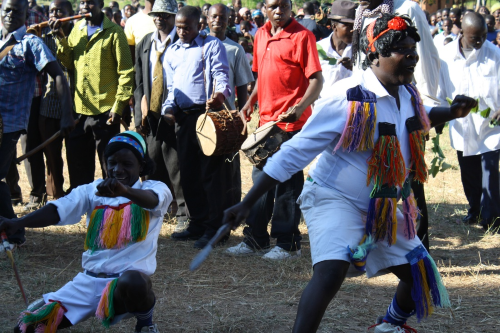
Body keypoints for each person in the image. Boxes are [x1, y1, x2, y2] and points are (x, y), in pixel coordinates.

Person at [223, 13, 476, 333]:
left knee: (421, 273)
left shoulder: (407, 93)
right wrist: (247, 203)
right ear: (374, 54)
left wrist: (451, 112)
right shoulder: (348, 97)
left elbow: (419, 117)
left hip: (380, 207)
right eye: (402, 50)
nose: (412, 57)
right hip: (333, 199)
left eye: (413, 49)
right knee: (331, 270)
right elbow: (292, 153)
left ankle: (390, 325)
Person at [1, 132, 171, 333]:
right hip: (87, 284)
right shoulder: (92, 190)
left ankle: (145, 326)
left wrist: (125, 191)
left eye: (127, 163)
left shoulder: (154, 188)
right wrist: (18, 222)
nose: (118, 169)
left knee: (135, 281)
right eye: (112, 163)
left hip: (122, 288)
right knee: (25, 328)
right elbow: (59, 209)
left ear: (141, 166)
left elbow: (153, 201)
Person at [226, 0, 322, 260]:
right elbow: (261, 77)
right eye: (273, 6)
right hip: (266, 124)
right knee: (261, 180)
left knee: (287, 183)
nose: (279, 10)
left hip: (291, 124)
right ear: (265, 8)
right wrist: (249, 103)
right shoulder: (259, 35)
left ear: (291, 7)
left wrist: (300, 107)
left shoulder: (303, 36)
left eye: (283, 5)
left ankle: (288, 243)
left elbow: (317, 81)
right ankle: (255, 239)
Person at [352, 0, 440, 252]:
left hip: (407, 104)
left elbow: (427, 57)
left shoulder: (408, 8)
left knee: (410, 181)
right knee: (375, 176)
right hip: (371, 105)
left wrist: (428, 104)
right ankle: (378, 239)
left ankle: (418, 245)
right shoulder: (360, 14)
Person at [0, 0, 75, 245]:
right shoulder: (1, 42)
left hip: (9, 123)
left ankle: (14, 233)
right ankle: (11, 231)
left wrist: (66, 114)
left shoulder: (31, 43)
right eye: (7, 10)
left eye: (17, 11)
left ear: (26, 15)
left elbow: (59, 76)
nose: (11, 15)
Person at [162, 6, 232, 249]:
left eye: (187, 27)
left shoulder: (210, 45)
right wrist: (168, 108)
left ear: (198, 25)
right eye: (179, 27)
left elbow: (221, 74)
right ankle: (198, 224)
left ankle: (216, 230)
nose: (182, 31)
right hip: (183, 119)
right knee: (189, 173)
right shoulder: (171, 52)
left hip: (207, 116)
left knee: (211, 175)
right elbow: (171, 88)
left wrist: (220, 95)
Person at [50, 0, 134, 191]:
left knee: (110, 166)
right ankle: (84, 207)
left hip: (106, 112)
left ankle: (111, 207)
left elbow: (126, 73)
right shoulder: (77, 29)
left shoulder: (114, 33)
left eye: (90, 2)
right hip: (79, 111)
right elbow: (69, 65)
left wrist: (119, 106)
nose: (85, 7)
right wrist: (60, 38)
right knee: (78, 165)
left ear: (100, 4)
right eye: (82, 2)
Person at [437, 12, 500, 230]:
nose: (481, 41)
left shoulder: (494, 53)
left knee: (490, 170)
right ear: (463, 32)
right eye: (475, 37)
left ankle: (491, 219)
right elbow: (440, 89)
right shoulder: (445, 56)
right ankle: (475, 211)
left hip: (490, 126)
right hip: (462, 125)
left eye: (483, 35)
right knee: (469, 173)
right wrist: (439, 116)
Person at [134, 0, 188, 233]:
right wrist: (139, 115)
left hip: (176, 115)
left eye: (165, 15)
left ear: (174, 17)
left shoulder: (184, 40)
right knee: (152, 163)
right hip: (152, 116)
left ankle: (184, 214)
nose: (159, 19)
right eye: (156, 14)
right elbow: (138, 83)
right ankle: (158, 209)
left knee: (177, 166)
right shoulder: (146, 42)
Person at [207, 3, 254, 207]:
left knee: (228, 162)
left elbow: (243, 84)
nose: (218, 20)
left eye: (222, 17)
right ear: (206, 19)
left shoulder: (235, 50)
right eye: (214, 17)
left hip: (226, 116)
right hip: (202, 115)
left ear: (230, 20)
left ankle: (232, 204)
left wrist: (241, 116)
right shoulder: (197, 45)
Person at [36, 0, 75, 201]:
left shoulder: (80, 35)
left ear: (71, 13)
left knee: (76, 156)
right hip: (50, 103)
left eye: (60, 11)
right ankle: (57, 196)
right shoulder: (43, 37)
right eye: (51, 11)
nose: (55, 14)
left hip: (77, 104)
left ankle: (77, 195)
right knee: (52, 156)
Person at [316, 0, 356, 98]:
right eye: (348, 26)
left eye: (355, 25)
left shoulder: (359, 50)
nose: (353, 30)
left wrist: (355, 68)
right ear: (334, 26)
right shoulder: (318, 49)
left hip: (352, 109)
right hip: (325, 108)